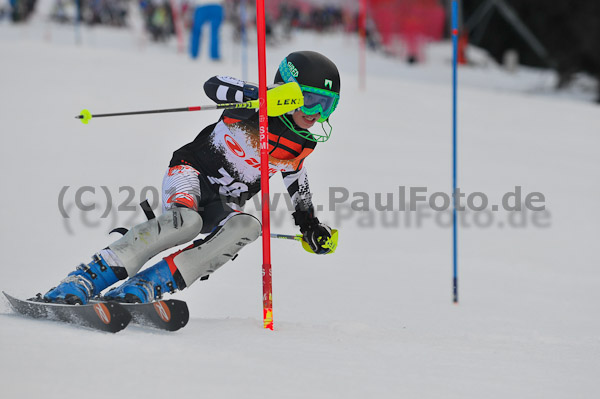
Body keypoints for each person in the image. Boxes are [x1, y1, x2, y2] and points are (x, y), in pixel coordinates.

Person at [41, 50, 341, 305]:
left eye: (326, 105)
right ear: (288, 90)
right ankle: (85, 278)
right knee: (187, 222)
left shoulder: (302, 143)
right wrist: (261, 97)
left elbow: (297, 183)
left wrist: (309, 224)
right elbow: (215, 85)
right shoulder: (252, 110)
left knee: (247, 226)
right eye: (310, 100)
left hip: (224, 202)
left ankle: (146, 286)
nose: (316, 113)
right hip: (191, 174)